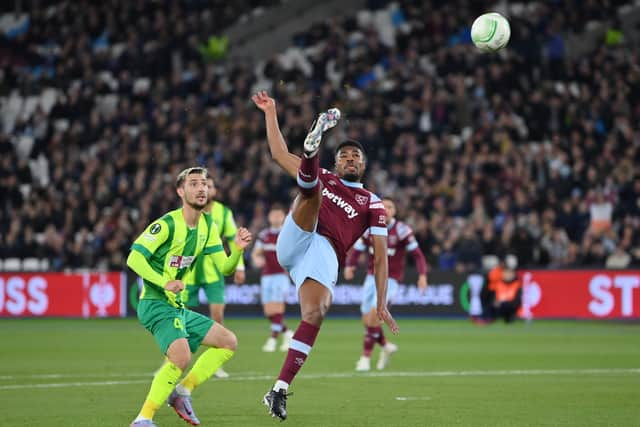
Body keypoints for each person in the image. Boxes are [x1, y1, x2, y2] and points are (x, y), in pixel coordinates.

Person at [252, 90, 398, 421]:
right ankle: (310, 151)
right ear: (337, 162)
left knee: (315, 313)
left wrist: (382, 301)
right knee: (314, 191)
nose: (349, 158)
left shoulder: (373, 203)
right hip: (301, 231)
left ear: (363, 165)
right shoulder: (328, 179)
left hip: (325, 253)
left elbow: (380, 257)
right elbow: (277, 153)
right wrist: (270, 112)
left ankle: (277, 389)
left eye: (355, 157)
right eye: (344, 155)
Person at [126, 167, 252, 427]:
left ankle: (182, 392)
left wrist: (237, 251)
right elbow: (134, 257)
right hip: (154, 304)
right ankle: (143, 419)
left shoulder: (209, 225)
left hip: (177, 307)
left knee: (228, 342)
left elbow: (225, 268)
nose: (201, 188)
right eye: (194, 184)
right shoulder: (167, 224)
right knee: (181, 357)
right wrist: (164, 281)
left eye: (204, 183)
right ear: (180, 191)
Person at [344, 197, 428, 372]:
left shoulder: (402, 230)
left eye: (390, 207)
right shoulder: (370, 229)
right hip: (370, 278)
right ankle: (386, 346)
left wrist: (422, 275)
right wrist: (350, 265)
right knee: (367, 319)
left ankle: (365, 358)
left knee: (375, 314)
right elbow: (357, 249)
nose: (386, 209)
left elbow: (418, 255)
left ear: (394, 211)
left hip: (391, 279)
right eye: (383, 206)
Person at [183, 175, 246, 379]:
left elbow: (234, 238)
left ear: (215, 191)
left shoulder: (223, 212)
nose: (205, 189)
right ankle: (171, 361)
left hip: (213, 273)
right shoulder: (186, 212)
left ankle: (215, 362)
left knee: (217, 317)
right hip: (187, 274)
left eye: (208, 186)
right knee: (177, 319)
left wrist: (240, 266)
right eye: (201, 185)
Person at [251, 203, 295, 352]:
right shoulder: (264, 235)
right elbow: (256, 253)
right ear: (269, 217)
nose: (276, 218)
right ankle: (288, 333)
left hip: (281, 277)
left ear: (284, 217)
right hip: (266, 276)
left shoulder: (288, 234)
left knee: (278, 308)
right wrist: (257, 259)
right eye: (273, 215)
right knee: (269, 312)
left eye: (279, 215)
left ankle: (273, 339)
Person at [480, 254, 522, 323]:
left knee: (506, 305)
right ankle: (487, 316)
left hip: (505, 301)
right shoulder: (495, 272)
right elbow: (489, 283)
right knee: (491, 303)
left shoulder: (515, 282)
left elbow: (516, 300)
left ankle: (508, 317)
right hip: (493, 293)